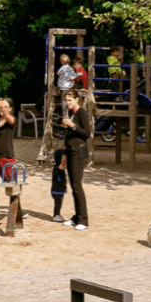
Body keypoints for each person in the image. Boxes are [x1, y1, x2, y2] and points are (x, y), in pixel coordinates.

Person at [58, 91, 91, 230]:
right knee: (73, 185)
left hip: (79, 151)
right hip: (71, 151)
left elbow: (87, 133)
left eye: (70, 100)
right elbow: (69, 136)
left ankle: (83, 220)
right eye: (67, 100)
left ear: (77, 99)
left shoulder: (81, 112)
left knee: (77, 186)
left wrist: (72, 125)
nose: (68, 103)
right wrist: (64, 155)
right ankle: (77, 217)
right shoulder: (72, 113)